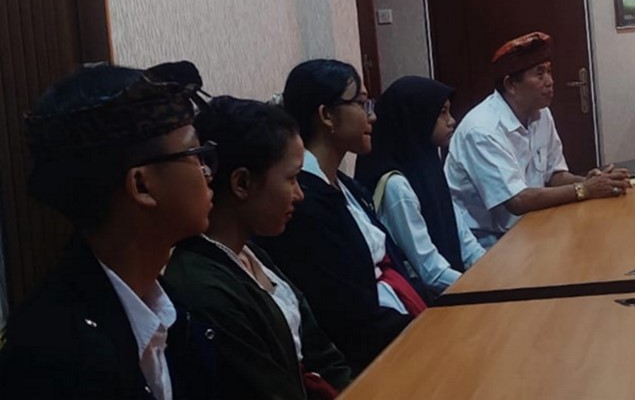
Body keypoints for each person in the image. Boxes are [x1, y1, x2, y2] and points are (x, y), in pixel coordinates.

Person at [0, 62, 218, 399]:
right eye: (195, 154)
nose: (207, 171)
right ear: (142, 185)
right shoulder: (53, 354)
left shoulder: (172, 306)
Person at [163, 97, 353, 399]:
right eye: (291, 178)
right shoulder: (202, 288)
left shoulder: (251, 253)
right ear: (242, 183)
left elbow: (322, 354)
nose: (300, 195)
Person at [256, 59, 432, 373]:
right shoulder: (305, 204)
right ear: (326, 115)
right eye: (362, 104)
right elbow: (346, 316)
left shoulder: (345, 185)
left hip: (397, 321)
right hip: (368, 356)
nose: (372, 116)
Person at [444, 31, 632, 248]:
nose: (550, 82)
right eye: (539, 74)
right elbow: (517, 201)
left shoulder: (541, 112)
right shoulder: (482, 130)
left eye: (549, 71)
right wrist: (585, 189)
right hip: (482, 240)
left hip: (531, 223)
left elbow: (555, 175)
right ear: (511, 85)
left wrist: (592, 182)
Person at [355, 77, 486, 294]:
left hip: (456, 286)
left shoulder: (429, 166)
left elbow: (466, 243)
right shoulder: (396, 186)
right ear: (417, 117)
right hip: (429, 299)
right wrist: (482, 287)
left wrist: (493, 271)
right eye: (442, 113)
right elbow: (430, 271)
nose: (452, 121)